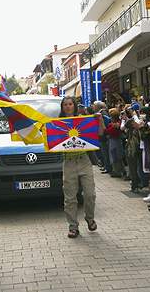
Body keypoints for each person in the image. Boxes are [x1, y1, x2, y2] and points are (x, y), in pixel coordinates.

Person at [59, 96, 102, 239]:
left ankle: (90, 218)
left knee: (90, 194)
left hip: (84, 160)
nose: (68, 106)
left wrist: (99, 119)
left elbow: (100, 133)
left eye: (70, 104)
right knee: (70, 198)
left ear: (74, 106)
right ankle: (73, 226)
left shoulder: (83, 121)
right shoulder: (57, 124)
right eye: (65, 104)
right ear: (62, 107)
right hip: (69, 162)